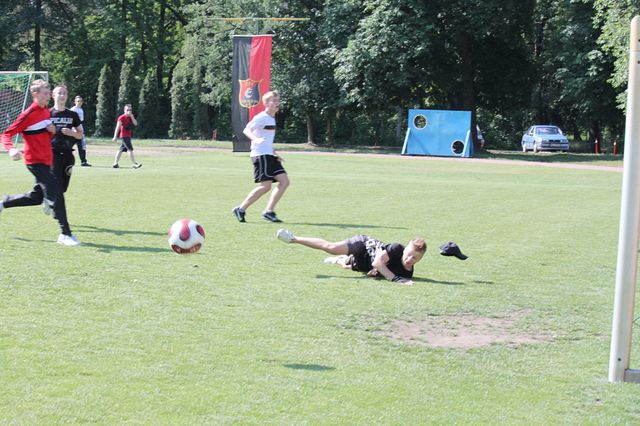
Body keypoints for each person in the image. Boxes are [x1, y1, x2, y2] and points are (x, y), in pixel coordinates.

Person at [0, 79, 79, 246]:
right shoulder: (28, 114)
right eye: (45, 93)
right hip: (35, 162)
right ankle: (65, 234)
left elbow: (43, 136)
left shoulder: (45, 111)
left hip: (47, 160)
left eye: (49, 93)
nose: (49, 96)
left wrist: (52, 131)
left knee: (36, 197)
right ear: (35, 94)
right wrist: (11, 149)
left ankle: (4, 202)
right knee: (56, 193)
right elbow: (6, 134)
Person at [276, 228, 426, 285]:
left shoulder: (408, 273)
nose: (409, 260)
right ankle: (293, 238)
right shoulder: (396, 248)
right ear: (405, 249)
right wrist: (395, 279)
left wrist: (377, 273)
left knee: (346, 265)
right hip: (363, 245)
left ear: (420, 259)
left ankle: (340, 260)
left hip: (365, 263)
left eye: (415, 258)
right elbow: (378, 262)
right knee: (332, 248)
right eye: (409, 255)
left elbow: (379, 269)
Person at [232, 90, 289, 223]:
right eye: (274, 101)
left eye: (278, 100)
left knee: (284, 182)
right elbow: (247, 129)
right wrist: (255, 139)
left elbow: (267, 139)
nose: (277, 103)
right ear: (266, 104)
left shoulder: (272, 118)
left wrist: (274, 153)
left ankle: (269, 211)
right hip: (261, 155)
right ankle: (241, 209)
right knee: (266, 186)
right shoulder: (262, 117)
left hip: (269, 155)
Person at [48, 84, 84, 246]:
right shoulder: (48, 114)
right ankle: (56, 210)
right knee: (56, 187)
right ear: (53, 95)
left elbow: (80, 134)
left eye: (64, 93)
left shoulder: (72, 114)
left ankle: (51, 202)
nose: (62, 95)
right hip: (52, 154)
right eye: (59, 93)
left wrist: (72, 133)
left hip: (68, 156)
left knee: (63, 188)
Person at [112, 103, 141, 169]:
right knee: (130, 149)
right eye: (127, 110)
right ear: (124, 110)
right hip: (124, 136)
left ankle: (115, 163)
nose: (129, 111)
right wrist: (115, 136)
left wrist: (132, 117)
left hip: (128, 135)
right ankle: (134, 163)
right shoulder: (121, 117)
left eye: (130, 110)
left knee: (121, 149)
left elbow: (135, 123)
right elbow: (117, 127)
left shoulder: (131, 117)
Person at [69, 95, 91, 166]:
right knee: (68, 146)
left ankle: (83, 161)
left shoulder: (81, 110)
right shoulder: (73, 110)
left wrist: (81, 131)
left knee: (82, 146)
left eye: (81, 101)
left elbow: (80, 122)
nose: (80, 102)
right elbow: (71, 121)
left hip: (80, 131)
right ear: (75, 102)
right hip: (73, 131)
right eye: (78, 101)